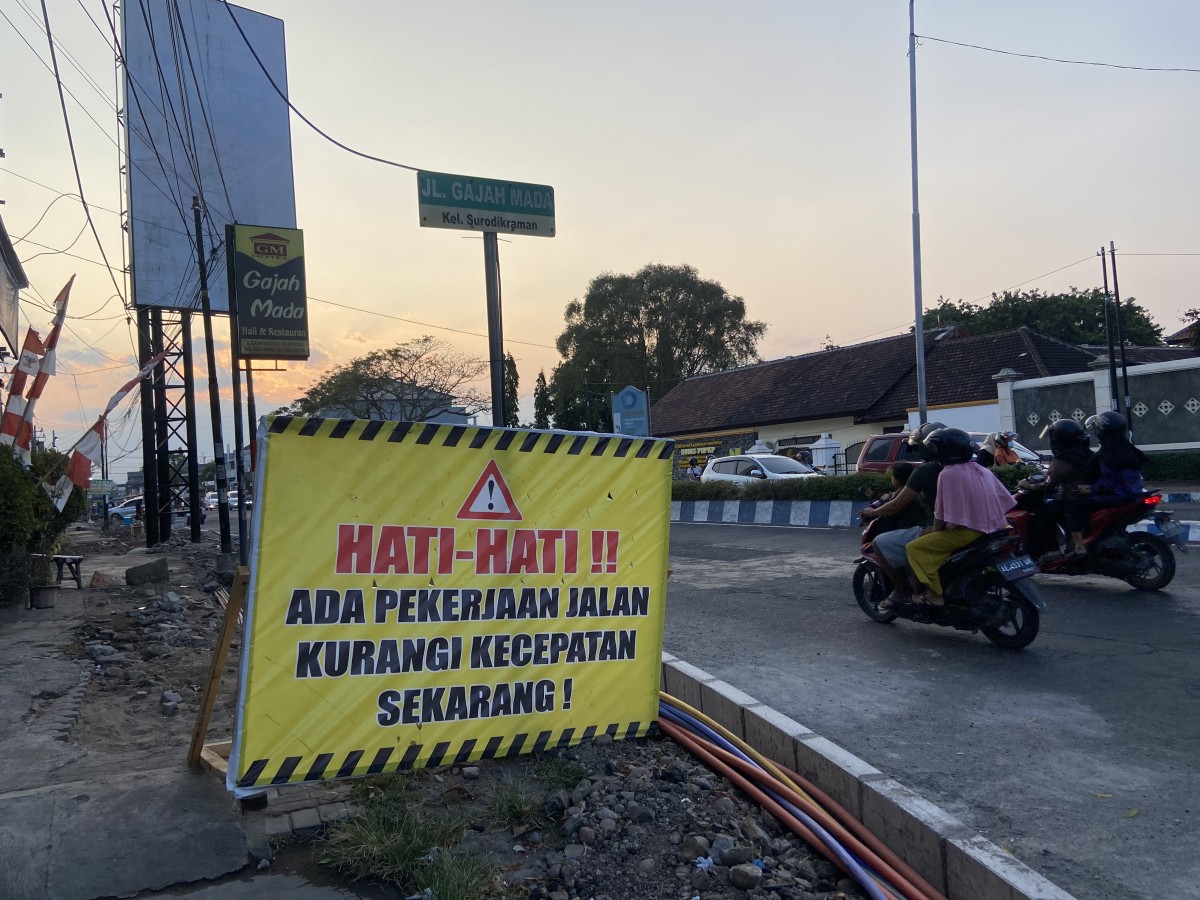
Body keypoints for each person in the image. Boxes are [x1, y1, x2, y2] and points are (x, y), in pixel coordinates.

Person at [905, 428, 1017, 606]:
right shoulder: (981, 470)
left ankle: (935, 593)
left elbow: (940, 514)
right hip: (996, 527)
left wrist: (934, 532)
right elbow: (1005, 500)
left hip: (968, 532)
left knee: (914, 548)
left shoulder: (947, 474)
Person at [861, 422, 945, 607]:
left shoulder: (926, 471)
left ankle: (902, 591)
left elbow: (896, 505)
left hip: (938, 529)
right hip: (972, 527)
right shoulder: (970, 468)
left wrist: (874, 511)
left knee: (880, 543)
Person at [1061, 412, 1146, 550]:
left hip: (1116, 496)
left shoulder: (1107, 455)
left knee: (1073, 505)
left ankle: (1078, 546)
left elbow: (1105, 485)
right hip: (1134, 493)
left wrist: (1080, 489)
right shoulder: (1130, 450)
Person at [1016, 419, 1096, 559]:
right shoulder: (1086, 453)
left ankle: (1053, 551)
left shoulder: (1063, 459)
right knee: (1058, 505)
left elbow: (1048, 484)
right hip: (1089, 493)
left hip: (1075, 497)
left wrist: (1027, 485)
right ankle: (1071, 541)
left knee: (1043, 514)